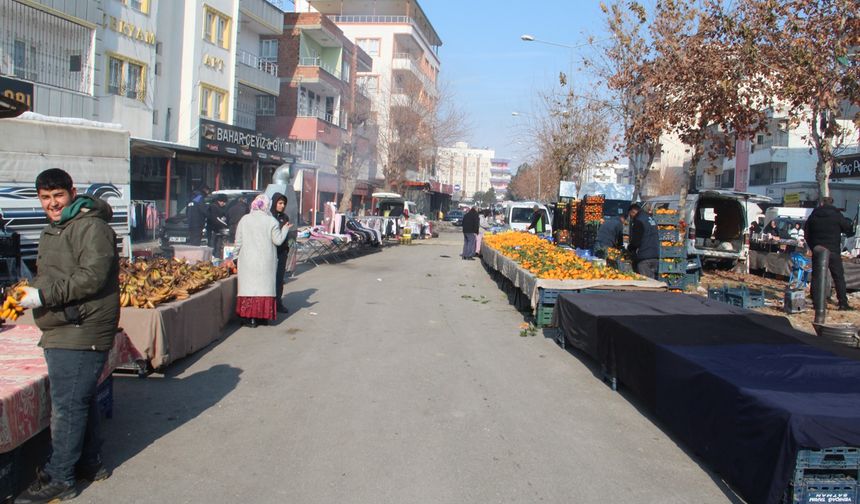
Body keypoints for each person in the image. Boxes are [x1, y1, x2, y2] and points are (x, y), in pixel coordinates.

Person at [15, 169, 119, 503]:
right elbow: (56, 273)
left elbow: (92, 277)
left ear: (72, 192)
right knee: (80, 399)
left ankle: (62, 477)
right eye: (45, 198)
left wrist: (43, 298)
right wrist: (30, 293)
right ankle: (90, 463)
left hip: (81, 326)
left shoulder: (91, 226)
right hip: (64, 323)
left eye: (58, 195)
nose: (52, 203)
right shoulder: (60, 227)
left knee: (67, 406)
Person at [234, 194, 291, 327]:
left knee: (249, 289)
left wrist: (235, 257)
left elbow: (238, 242)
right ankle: (262, 317)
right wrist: (285, 229)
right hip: (266, 262)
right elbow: (278, 240)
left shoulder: (244, 220)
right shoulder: (272, 221)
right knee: (263, 290)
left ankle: (250, 319)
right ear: (267, 205)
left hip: (247, 261)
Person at [804, 196, 853, 310]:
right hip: (833, 250)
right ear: (832, 203)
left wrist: (813, 246)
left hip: (818, 249)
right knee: (838, 277)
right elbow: (848, 228)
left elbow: (807, 233)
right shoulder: (836, 215)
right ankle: (842, 303)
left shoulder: (813, 215)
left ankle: (817, 303)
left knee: (817, 276)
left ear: (821, 203)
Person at [627, 203, 660, 279]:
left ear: (633, 212)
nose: (631, 217)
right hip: (655, 255)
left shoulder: (639, 220)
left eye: (630, 215)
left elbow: (636, 241)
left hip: (645, 257)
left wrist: (630, 248)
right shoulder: (651, 218)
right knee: (654, 283)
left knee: (646, 285)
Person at [270, 193, 291, 314]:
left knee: (279, 278)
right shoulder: (269, 217)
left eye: (284, 203)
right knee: (270, 279)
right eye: (280, 203)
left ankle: (278, 302)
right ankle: (269, 303)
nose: (282, 206)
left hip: (282, 252)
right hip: (270, 252)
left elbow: (286, 235)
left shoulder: (285, 217)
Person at [207, 194, 229, 259]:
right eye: (224, 202)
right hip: (213, 230)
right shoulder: (214, 207)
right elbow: (217, 219)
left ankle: (214, 257)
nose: (224, 204)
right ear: (220, 201)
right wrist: (226, 225)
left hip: (215, 230)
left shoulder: (217, 207)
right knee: (213, 246)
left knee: (216, 245)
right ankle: (213, 258)